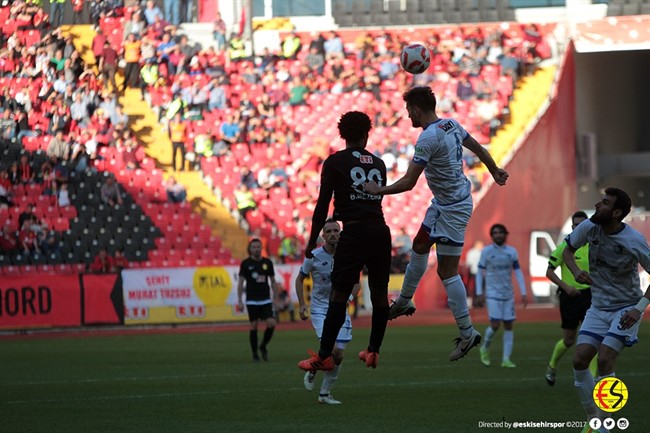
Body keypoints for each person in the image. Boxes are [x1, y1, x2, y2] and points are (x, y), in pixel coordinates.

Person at [363, 86, 509, 361]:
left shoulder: (427, 138)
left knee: (446, 271)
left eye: (409, 112)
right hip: (444, 203)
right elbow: (476, 146)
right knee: (419, 244)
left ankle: (467, 333)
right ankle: (405, 301)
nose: (408, 117)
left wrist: (377, 190)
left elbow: (408, 183)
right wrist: (494, 169)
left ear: (417, 109)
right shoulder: (451, 124)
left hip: (454, 208)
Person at [298, 111, 392, 372]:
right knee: (380, 295)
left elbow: (321, 206)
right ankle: (373, 350)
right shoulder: (379, 163)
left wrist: (310, 241)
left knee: (339, 295)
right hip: (380, 231)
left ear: (342, 135)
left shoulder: (335, 162)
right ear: (366, 134)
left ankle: (323, 355)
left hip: (353, 232)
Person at [563, 187, 649, 431]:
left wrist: (639, 308)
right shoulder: (590, 226)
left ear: (616, 212)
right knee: (580, 360)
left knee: (604, 360)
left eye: (605, 203)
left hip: (626, 309)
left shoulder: (633, 241)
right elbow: (568, 250)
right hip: (599, 306)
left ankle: (606, 424)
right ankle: (594, 417)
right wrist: (576, 271)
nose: (598, 205)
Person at [296, 219, 361, 405]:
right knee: (331, 349)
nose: (333, 234)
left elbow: (356, 284)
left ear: (340, 233)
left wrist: (347, 299)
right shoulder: (313, 256)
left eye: (336, 231)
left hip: (340, 308)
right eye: (329, 231)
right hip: (320, 310)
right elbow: (299, 280)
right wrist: (302, 304)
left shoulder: (348, 256)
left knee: (339, 355)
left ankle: (324, 393)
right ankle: (314, 369)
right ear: (323, 235)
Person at [544, 211, 597, 386]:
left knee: (593, 338)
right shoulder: (564, 247)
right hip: (569, 297)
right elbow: (549, 272)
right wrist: (566, 287)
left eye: (583, 225)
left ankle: (594, 380)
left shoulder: (594, 246)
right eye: (576, 225)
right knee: (568, 340)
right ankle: (552, 366)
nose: (579, 228)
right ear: (572, 227)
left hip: (590, 296)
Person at [475, 224, 528, 368]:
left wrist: (523, 291)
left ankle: (506, 359)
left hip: (508, 294)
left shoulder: (512, 252)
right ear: (492, 236)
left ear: (505, 234)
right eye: (495, 233)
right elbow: (480, 272)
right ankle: (485, 348)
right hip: (492, 294)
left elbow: (517, 272)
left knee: (509, 325)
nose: (498, 235)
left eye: (500, 232)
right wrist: (479, 292)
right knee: (495, 324)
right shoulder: (486, 251)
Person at [237, 238, 279, 362]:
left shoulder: (267, 263)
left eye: (258, 247)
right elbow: (240, 282)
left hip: (265, 299)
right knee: (254, 325)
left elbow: (272, 281)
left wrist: (275, 299)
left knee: (272, 323)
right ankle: (255, 354)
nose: (256, 249)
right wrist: (240, 300)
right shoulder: (245, 263)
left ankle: (263, 346)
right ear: (250, 249)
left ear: (262, 248)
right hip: (252, 300)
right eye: (254, 247)